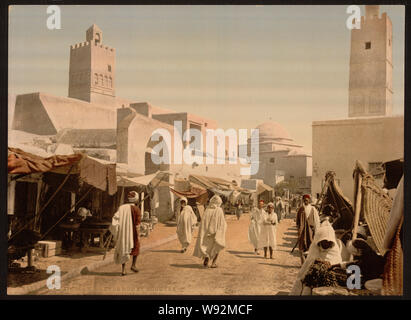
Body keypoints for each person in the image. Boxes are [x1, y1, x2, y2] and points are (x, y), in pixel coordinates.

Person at [290, 220, 343, 295]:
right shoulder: (314, 250)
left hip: (329, 282)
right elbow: (306, 268)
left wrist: (327, 266)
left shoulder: (334, 251)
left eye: (329, 242)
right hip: (313, 280)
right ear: (319, 241)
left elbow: (337, 267)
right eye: (324, 242)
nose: (326, 244)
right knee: (306, 288)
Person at [109, 191, 141, 276]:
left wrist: (116, 229)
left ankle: (123, 270)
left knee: (124, 249)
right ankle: (133, 265)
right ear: (136, 200)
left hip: (124, 232)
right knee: (136, 249)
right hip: (133, 233)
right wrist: (138, 235)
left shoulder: (122, 207)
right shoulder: (137, 209)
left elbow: (115, 218)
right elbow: (138, 225)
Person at [193, 195, 227, 268]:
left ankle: (207, 258)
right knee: (216, 247)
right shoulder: (219, 210)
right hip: (215, 232)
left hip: (206, 232)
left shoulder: (207, 209)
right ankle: (213, 263)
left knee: (207, 247)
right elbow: (222, 223)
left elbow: (203, 222)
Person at [296, 194, 320, 264]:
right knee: (301, 248)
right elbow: (297, 221)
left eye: (307, 200)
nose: (305, 201)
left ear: (309, 200)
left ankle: (308, 263)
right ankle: (303, 264)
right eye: (304, 200)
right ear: (303, 200)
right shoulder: (300, 209)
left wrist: (316, 231)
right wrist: (299, 230)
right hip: (302, 232)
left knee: (310, 247)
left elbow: (317, 221)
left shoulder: (313, 209)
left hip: (310, 232)